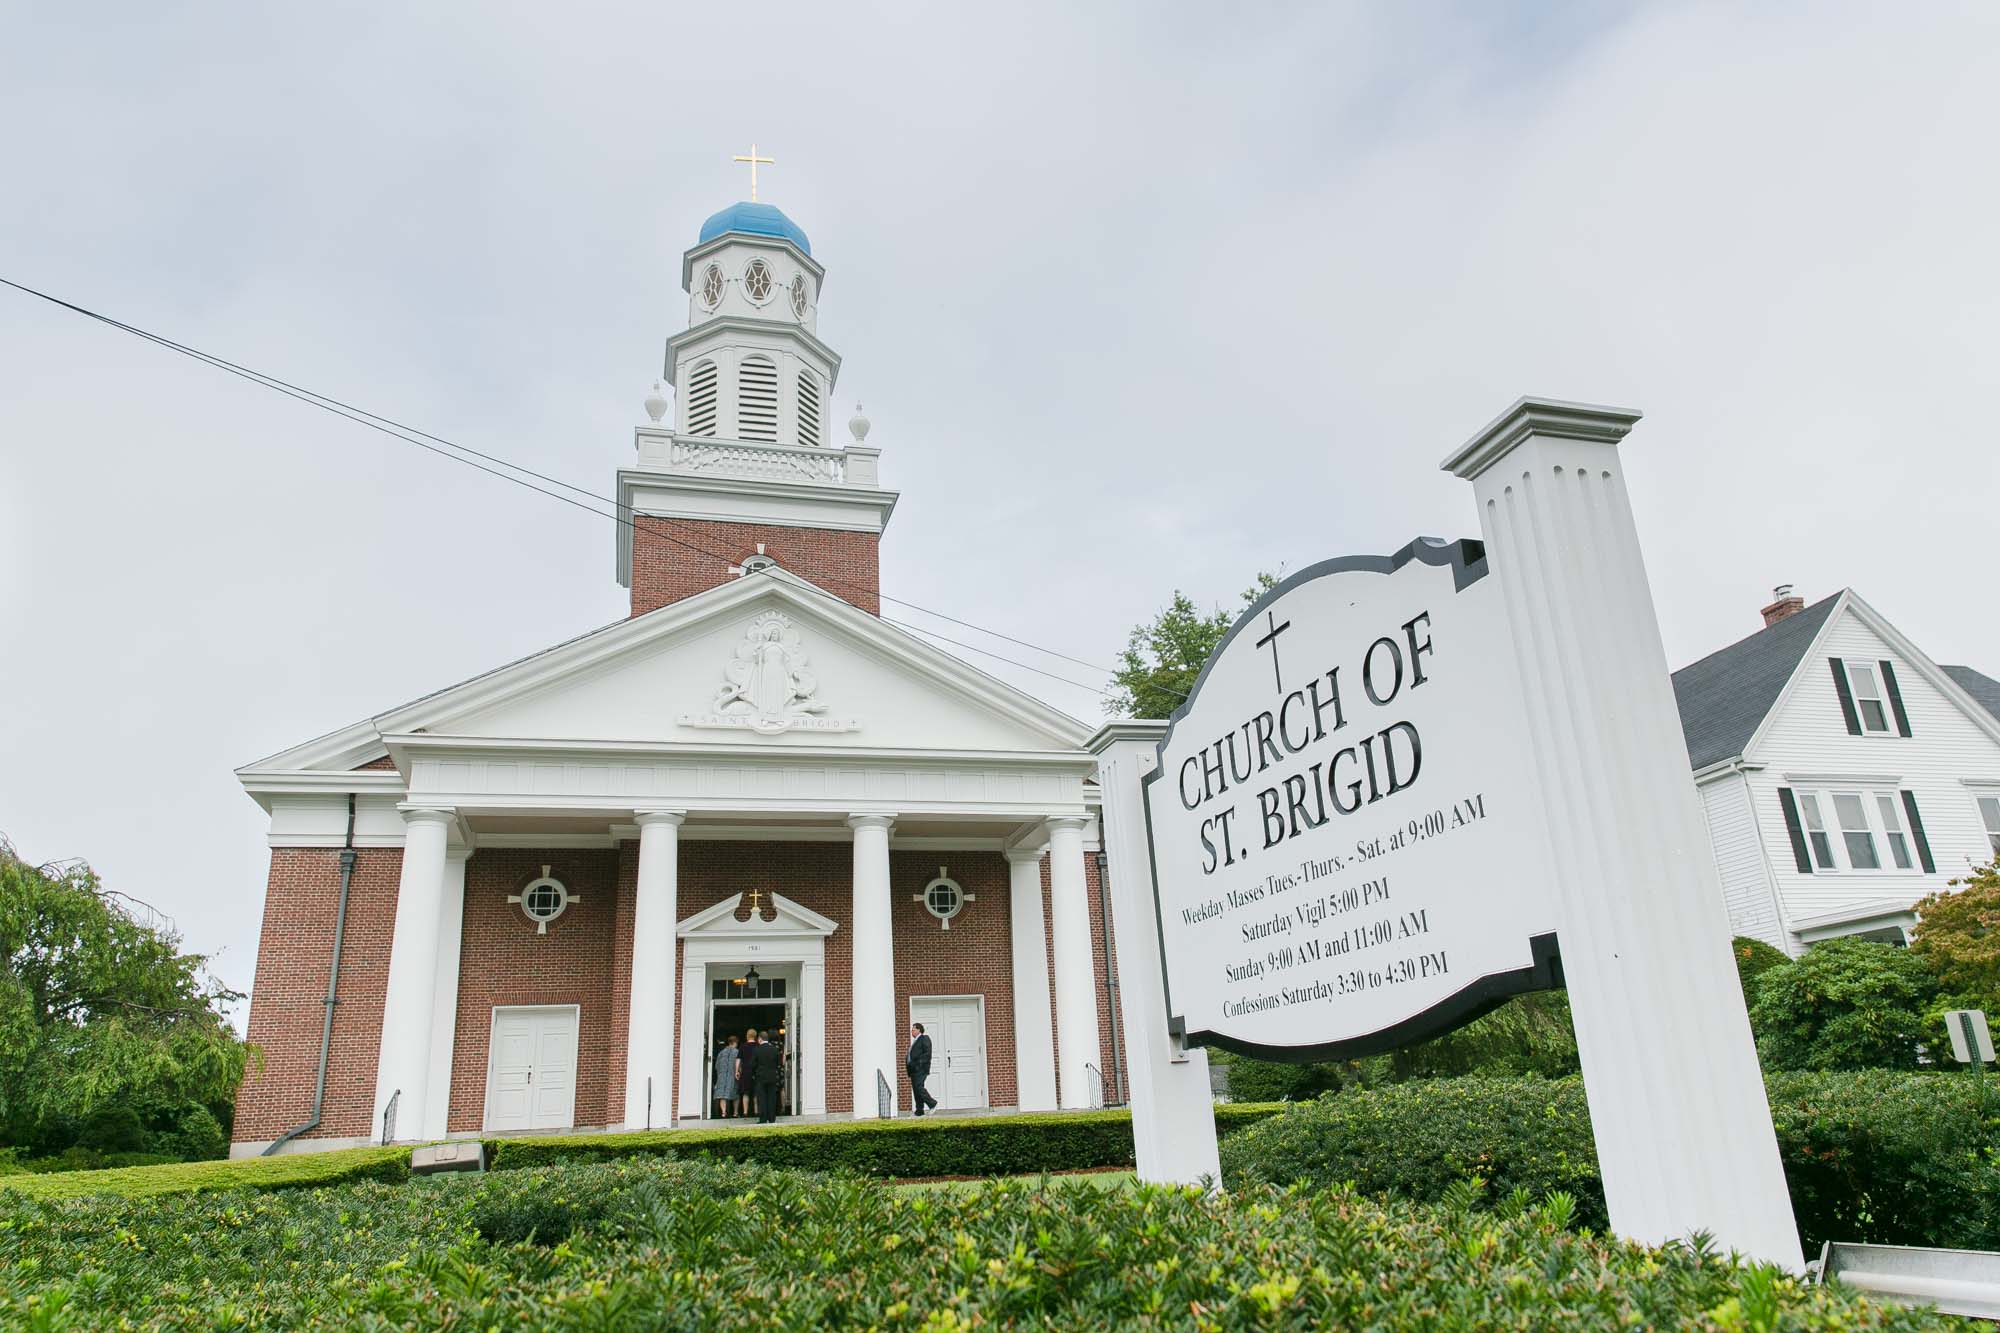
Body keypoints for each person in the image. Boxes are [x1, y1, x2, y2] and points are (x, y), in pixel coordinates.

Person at [750, 1028, 784, 1123]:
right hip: (772, 1076)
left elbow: (752, 1064)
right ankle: (772, 1118)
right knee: (772, 1098)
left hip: (760, 1077)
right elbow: (779, 1063)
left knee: (762, 1098)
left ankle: (763, 1118)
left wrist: (754, 1074)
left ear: (760, 1039)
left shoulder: (757, 1050)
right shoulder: (774, 1049)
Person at [907, 1021, 938, 1117]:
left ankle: (932, 1104)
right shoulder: (915, 1041)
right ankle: (919, 1111)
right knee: (916, 1090)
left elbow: (927, 1054)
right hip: (913, 1070)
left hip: (920, 1069)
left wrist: (918, 1064)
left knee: (919, 1087)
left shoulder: (924, 1039)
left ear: (918, 1030)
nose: (911, 1031)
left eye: (913, 1029)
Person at [712, 1033, 739, 1119]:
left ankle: (723, 1112)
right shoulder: (737, 1052)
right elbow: (740, 1064)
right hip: (733, 1075)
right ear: (735, 1042)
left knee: (722, 1094)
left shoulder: (721, 1053)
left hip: (722, 1076)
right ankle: (735, 1113)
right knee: (735, 1094)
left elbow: (716, 1066)